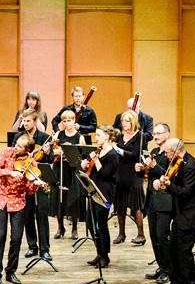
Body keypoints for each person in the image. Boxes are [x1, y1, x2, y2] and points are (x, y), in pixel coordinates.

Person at [0, 134, 44, 284]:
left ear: (27, 150)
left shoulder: (32, 163)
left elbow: (29, 190)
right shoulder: (7, 152)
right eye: (16, 144)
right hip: (0, 199)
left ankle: (10, 271)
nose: (15, 147)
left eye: (19, 146)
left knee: (17, 238)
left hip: (18, 201)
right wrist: (10, 172)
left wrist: (35, 184)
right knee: (0, 236)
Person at [154, 138, 195, 284]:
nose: (167, 156)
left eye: (168, 152)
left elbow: (185, 192)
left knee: (184, 251)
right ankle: (176, 283)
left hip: (190, 214)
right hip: (180, 213)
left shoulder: (190, 166)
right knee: (173, 248)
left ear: (176, 151)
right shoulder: (179, 163)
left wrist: (169, 185)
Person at [14, 110, 54, 261]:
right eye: (24, 121)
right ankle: (32, 246)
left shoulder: (44, 138)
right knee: (27, 215)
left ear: (35, 121)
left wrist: (48, 152)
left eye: (28, 121)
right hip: (25, 181)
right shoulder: (19, 137)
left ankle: (45, 249)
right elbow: (14, 155)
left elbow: (49, 160)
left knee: (42, 215)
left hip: (40, 180)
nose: (25, 123)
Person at [138, 123, 173, 283]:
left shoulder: (170, 153)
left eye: (159, 133)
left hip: (165, 201)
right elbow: (149, 174)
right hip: (151, 199)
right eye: (155, 133)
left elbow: (168, 175)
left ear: (167, 134)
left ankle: (169, 270)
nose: (156, 136)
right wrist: (140, 168)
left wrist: (154, 166)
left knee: (162, 236)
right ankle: (161, 266)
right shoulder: (153, 152)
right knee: (154, 236)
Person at [80, 125, 119, 268]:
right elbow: (93, 172)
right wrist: (85, 164)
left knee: (101, 225)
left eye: (99, 135)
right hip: (94, 191)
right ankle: (99, 252)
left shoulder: (113, 155)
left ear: (107, 137)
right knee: (91, 223)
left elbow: (105, 174)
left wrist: (95, 159)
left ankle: (105, 256)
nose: (96, 138)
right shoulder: (99, 151)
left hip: (106, 195)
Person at [50, 109, 86, 240]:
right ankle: (60, 227)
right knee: (59, 196)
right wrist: (56, 152)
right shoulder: (58, 135)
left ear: (74, 120)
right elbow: (52, 152)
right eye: (64, 121)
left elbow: (84, 154)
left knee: (73, 197)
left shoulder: (79, 136)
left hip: (73, 169)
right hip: (60, 168)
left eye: (69, 121)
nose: (67, 123)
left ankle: (74, 228)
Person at [112, 110, 145, 245]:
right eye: (122, 121)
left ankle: (141, 234)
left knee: (135, 205)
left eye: (126, 121)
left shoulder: (140, 136)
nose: (124, 124)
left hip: (133, 173)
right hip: (120, 172)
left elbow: (134, 154)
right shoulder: (120, 135)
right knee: (120, 204)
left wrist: (118, 150)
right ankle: (121, 233)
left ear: (133, 122)